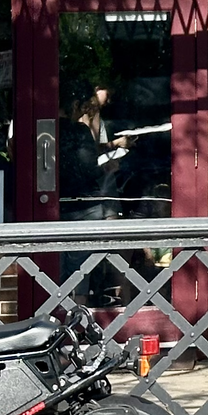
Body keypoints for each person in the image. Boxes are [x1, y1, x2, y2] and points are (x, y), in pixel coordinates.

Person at [59, 80, 128, 303]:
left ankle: (55, 313)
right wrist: (108, 167)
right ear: (74, 105)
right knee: (79, 272)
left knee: (55, 272)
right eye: (82, 108)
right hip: (83, 206)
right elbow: (88, 169)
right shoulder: (77, 131)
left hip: (55, 208)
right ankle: (78, 315)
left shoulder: (43, 131)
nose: (82, 113)